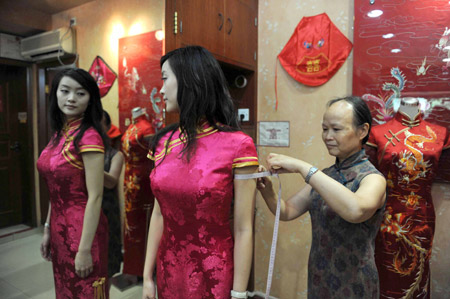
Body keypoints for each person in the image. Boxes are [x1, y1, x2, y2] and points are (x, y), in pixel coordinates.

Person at [142, 46, 259, 299]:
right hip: (169, 268)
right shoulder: (164, 142)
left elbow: (243, 228)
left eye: (165, 78)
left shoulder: (238, 145)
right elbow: (159, 214)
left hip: (213, 273)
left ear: (189, 80)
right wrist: (147, 276)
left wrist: (239, 293)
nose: (160, 90)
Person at [257, 96, 387, 298]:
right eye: (325, 129)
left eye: (336, 129)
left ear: (362, 131)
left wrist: (303, 167)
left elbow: (355, 210)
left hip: (355, 283)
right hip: (320, 278)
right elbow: (286, 211)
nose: (327, 136)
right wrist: (268, 191)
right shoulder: (325, 176)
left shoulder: (373, 179)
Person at [366, 97, 450, 298]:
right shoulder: (378, 133)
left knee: (420, 267)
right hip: (389, 214)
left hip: (423, 213)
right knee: (387, 266)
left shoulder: (439, 133)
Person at [38, 68, 109, 298]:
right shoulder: (58, 134)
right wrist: (48, 228)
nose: (71, 98)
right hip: (59, 228)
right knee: (65, 290)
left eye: (80, 93)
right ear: (55, 94)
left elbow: (96, 195)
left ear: (90, 101)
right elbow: (55, 189)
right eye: (65, 91)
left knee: (86, 291)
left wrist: (85, 249)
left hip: (83, 231)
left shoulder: (88, 137)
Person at [121, 106, 155, 282]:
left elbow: (153, 155)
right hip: (129, 178)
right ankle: (131, 267)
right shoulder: (132, 126)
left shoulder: (146, 128)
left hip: (142, 180)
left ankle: (142, 268)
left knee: (141, 223)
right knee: (130, 223)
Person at [101, 110, 124, 282]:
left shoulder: (115, 155)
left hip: (107, 212)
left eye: (100, 123)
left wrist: (89, 165)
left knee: (106, 267)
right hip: (83, 212)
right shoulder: (79, 152)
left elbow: (111, 182)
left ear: (108, 127)